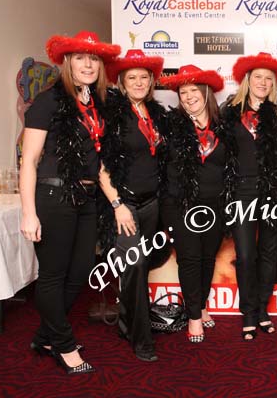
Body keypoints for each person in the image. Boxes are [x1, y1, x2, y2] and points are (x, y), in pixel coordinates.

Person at [20, 31, 120, 374]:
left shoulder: (97, 104)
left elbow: (101, 157)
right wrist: (28, 213)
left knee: (79, 273)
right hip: (53, 195)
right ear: (67, 63)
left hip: (87, 197)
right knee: (53, 275)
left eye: (93, 59)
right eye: (80, 58)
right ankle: (62, 344)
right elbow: (29, 160)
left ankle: (46, 335)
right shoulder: (49, 101)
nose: (88, 64)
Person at [100, 49, 166, 362]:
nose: (138, 82)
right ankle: (142, 340)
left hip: (152, 202)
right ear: (122, 84)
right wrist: (116, 204)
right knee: (136, 266)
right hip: (125, 204)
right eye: (132, 78)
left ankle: (126, 323)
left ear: (151, 81)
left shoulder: (155, 112)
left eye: (143, 77)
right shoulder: (113, 114)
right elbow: (101, 164)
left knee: (135, 269)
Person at [159, 65, 230, 345]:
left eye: (193, 91)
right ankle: (193, 316)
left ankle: (200, 304)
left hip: (214, 203)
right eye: (183, 92)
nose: (188, 97)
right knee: (189, 257)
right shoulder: (170, 125)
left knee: (207, 257)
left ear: (206, 92)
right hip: (180, 202)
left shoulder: (224, 125)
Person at [220, 53, 277, 340]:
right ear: (248, 79)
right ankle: (247, 312)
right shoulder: (229, 110)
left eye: (268, 78)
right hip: (240, 191)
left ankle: (262, 309)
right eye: (258, 76)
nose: (263, 82)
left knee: (269, 254)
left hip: (272, 190)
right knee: (246, 255)